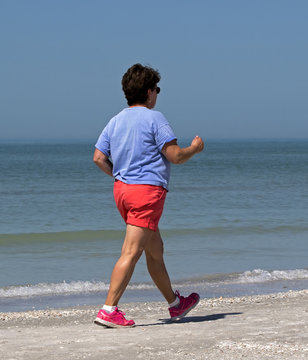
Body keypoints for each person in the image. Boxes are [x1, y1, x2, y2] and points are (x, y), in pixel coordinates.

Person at [92, 63, 205, 328]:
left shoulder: (115, 120)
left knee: (155, 250)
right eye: (157, 89)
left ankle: (177, 305)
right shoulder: (155, 118)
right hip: (147, 193)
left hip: (122, 192)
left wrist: (120, 177)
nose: (157, 94)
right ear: (149, 92)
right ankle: (109, 309)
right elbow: (175, 156)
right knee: (131, 251)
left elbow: (98, 157)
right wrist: (195, 149)